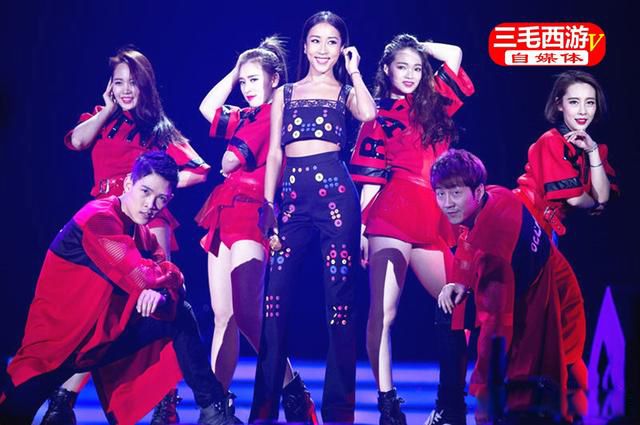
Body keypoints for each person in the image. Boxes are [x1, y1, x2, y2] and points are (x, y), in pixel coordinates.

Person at [0, 152, 240, 425]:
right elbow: (141, 276)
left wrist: (161, 292)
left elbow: (171, 284)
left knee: (179, 314)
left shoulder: (143, 234)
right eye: (145, 191)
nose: (151, 205)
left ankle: (213, 411)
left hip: (100, 341)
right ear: (128, 184)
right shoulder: (98, 218)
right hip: (55, 349)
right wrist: (166, 280)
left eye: (161, 199)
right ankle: (60, 405)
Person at [47, 47, 211, 425]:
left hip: (149, 224)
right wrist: (106, 109)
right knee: (100, 312)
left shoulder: (158, 130)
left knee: (162, 306)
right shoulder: (101, 120)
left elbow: (200, 170)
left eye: (132, 83)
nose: (125, 90)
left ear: (145, 85)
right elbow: (76, 142)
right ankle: (63, 399)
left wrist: (157, 191)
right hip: (105, 225)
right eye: (118, 82)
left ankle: (166, 402)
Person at [250, 11, 376, 424]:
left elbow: (368, 114)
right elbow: (274, 153)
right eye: (317, 41)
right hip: (290, 201)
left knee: (340, 304)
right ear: (304, 46)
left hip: (337, 199)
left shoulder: (345, 92)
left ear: (342, 49)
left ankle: (339, 413)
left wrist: (354, 72)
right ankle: (263, 412)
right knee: (273, 303)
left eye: (332, 42)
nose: (324, 50)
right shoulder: (284, 93)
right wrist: (267, 204)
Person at [349, 34, 474, 424]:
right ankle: (388, 404)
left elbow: (455, 53)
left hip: (434, 212)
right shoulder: (376, 114)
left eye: (417, 68)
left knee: (459, 306)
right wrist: (362, 229)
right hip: (392, 211)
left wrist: (420, 45)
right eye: (402, 66)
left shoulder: (435, 105)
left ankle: (449, 401)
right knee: (384, 312)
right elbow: (371, 178)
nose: (410, 74)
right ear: (386, 69)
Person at [196, 36, 316, 422]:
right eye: (243, 81)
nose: (247, 88)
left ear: (274, 79)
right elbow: (207, 108)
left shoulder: (274, 114)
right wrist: (235, 72)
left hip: (253, 212)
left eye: (253, 79)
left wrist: (229, 160)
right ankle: (217, 405)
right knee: (223, 317)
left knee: (248, 314)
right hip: (224, 212)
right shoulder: (246, 115)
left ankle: (292, 389)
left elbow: (230, 161)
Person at [431, 149, 588, 425]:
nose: (447, 204)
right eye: (440, 194)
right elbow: (470, 235)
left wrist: (482, 391)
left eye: (455, 193)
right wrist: (462, 281)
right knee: (568, 369)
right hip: (547, 285)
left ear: (477, 191)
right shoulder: (497, 194)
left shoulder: (493, 253)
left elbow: (495, 328)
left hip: (549, 303)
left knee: (554, 387)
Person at [514, 70, 618, 240]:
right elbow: (574, 198)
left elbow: (603, 197)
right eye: (574, 102)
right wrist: (594, 205)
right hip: (522, 214)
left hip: (546, 226)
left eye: (590, 103)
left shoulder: (596, 149)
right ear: (559, 105)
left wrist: (592, 150)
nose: (583, 111)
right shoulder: (551, 140)